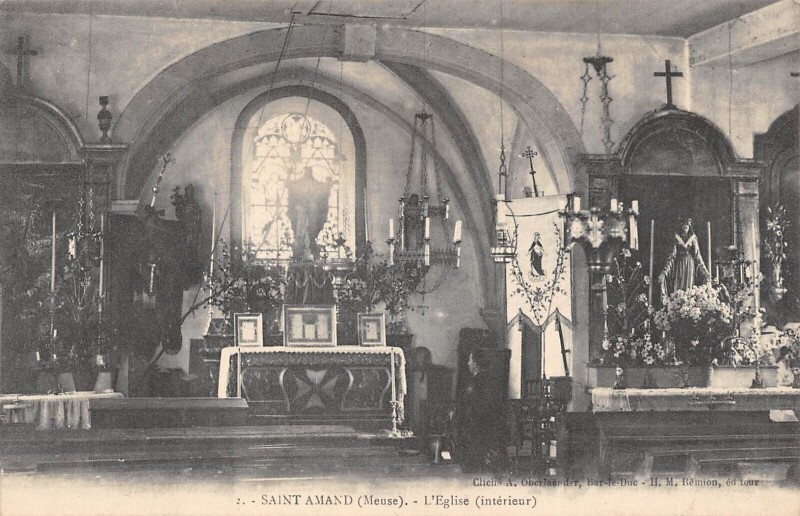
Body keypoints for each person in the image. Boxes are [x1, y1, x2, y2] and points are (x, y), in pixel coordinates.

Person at [455, 349, 506, 473]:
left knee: (472, 464)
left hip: (477, 427)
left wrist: (458, 416)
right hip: (490, 426)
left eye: (470, 360)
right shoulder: (492, 379)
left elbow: (473, 406)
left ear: (476, 363)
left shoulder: (476, 382)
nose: (468, 363)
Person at [658, 218, 709, 303]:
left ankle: (688, 305)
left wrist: (705, 271)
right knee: (678, 286)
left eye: (687, 225)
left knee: (689, 288)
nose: (685, 227)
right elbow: (671, 256)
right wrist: (664, 272)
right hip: (679, 264)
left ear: (689, 226)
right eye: (684, 225)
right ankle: (677, 305)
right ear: (681, 226)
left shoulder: (693, 238)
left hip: (690, 264)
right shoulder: (676, 238)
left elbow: (698, 256)